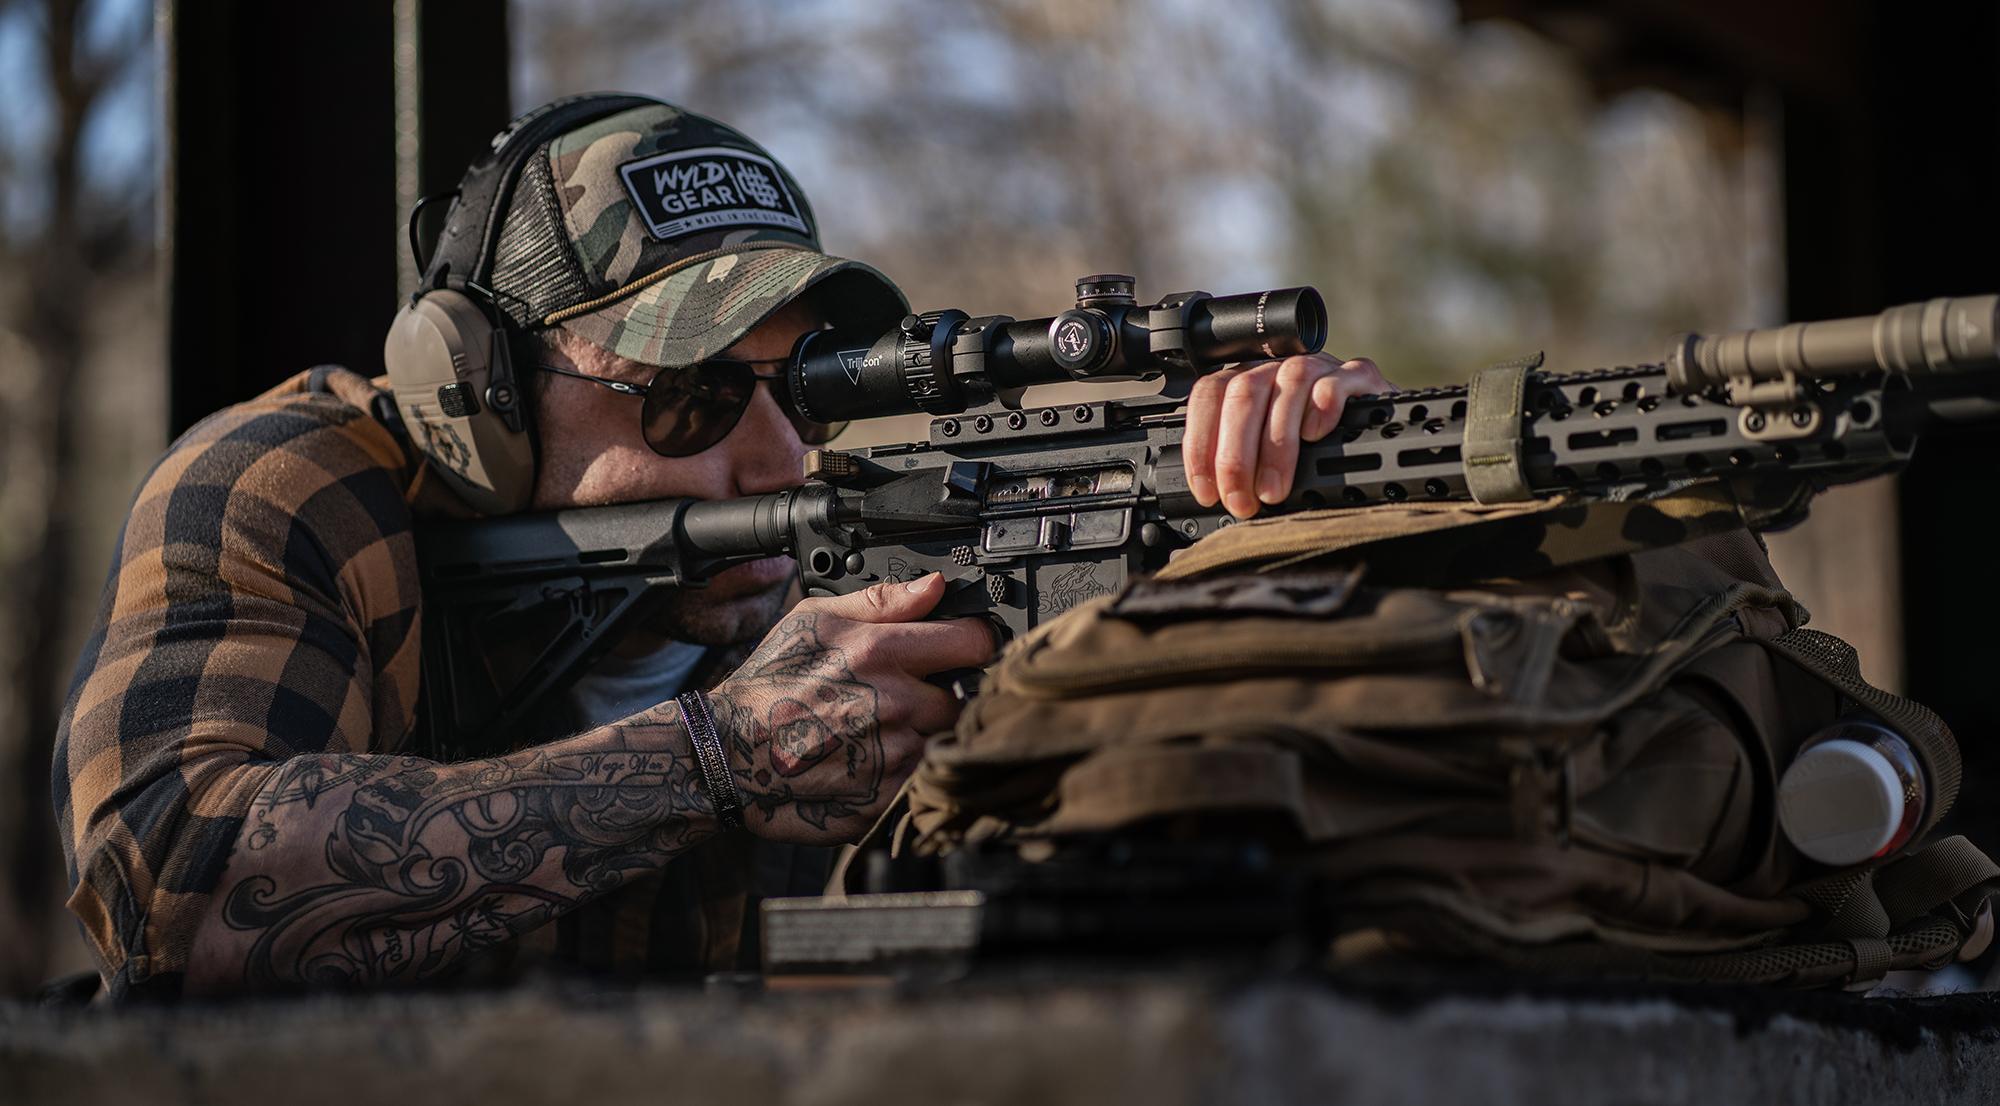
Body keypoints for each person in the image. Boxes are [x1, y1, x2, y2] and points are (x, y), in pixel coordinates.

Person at [54, 95, 1391, 1000]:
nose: (774, 459)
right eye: (689, 394)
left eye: (803, 388)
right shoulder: (298, 489)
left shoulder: (857, 544)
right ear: (483, 393)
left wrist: (1319, 511)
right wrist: (724, 755)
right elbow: (171, 881)